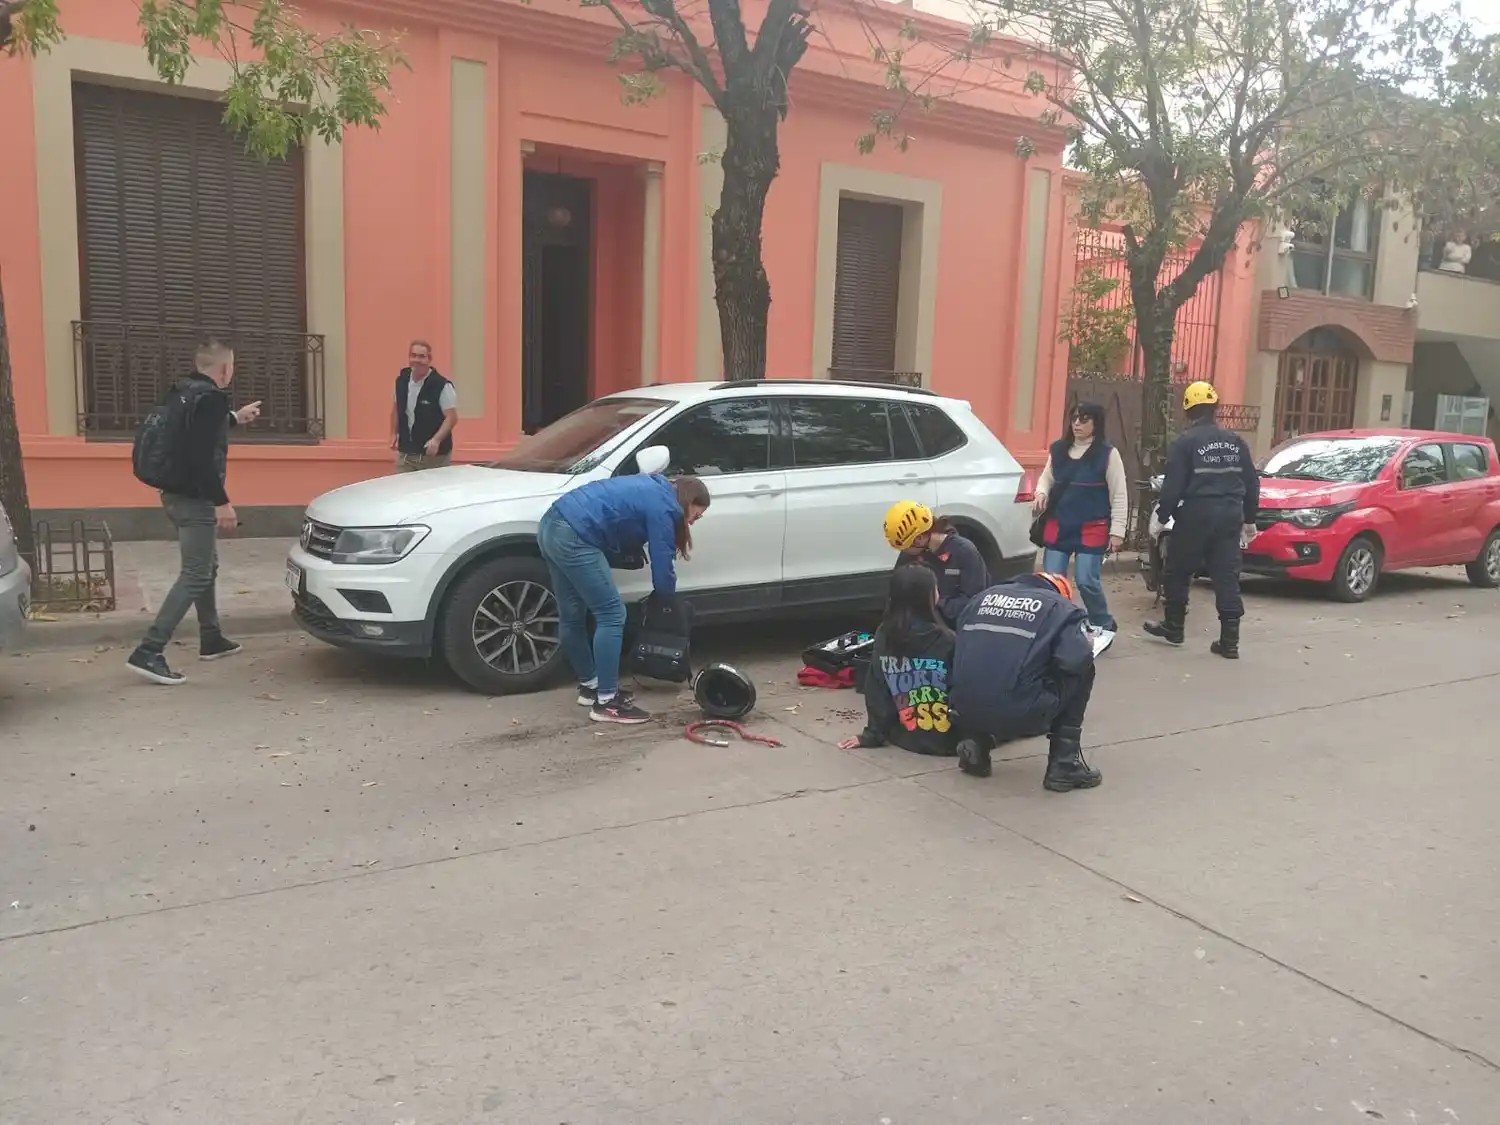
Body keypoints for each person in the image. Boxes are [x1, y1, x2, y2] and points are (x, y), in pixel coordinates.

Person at [127, 341, 261, 685]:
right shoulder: (213, 398)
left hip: (172, 494)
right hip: (195, 499)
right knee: (196, 574)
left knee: (206, 567)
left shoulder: (181, 391)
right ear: (224, 369)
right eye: (232, 366)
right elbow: (201, 455)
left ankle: (211, 637)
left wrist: (234, 418)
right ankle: (150, 650)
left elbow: (189, 436)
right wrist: (222, 502)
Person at [538, 473, 711, 724]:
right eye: (697, 515)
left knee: (572, 613)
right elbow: (662, 567)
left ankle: (591, 687)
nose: (694, 522)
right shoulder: (666, 507)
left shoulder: (654, 486)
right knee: (612, 614)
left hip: (551, 525)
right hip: (576, 536)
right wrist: (667, 605)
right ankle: (607, 703)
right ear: (689, 500)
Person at [949, 572, 1102, 791]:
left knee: (986, 664)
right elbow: (1075, 659)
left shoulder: (980, 599)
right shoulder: (1062, 609)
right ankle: (1064, 764)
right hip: (1020, 710)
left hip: (963, 708)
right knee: (1084, 669)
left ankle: (975, 744)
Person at [1144, 381, 1260, 658]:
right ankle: (1229, 642)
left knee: (1177, 571)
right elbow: (1251, 482)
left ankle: (1174, 627)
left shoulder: (1185, 442)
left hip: (1196, 515)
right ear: (1215, 408)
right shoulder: (1235, 441)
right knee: (1226, 576)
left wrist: (1162, 517)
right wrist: (1250, 518)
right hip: (1230, 516)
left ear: (1187, 410)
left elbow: (1173, 485)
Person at [1032, 401, 1128, 649]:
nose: (1077, 424)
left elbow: (1119, 494)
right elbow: (1046, 478)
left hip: (1092, 527)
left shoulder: (1108, 454)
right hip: (1059, 525)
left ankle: (1102, 623)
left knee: (1087, 580)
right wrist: (1041, 493)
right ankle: (1057, 627)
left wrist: (1117, 531)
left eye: (1084, 419)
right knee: (1053, 583)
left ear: (1096, 424)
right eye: (1074, 418)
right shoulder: (1059, 450)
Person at [837, 564, 957, 757]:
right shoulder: (948, 639)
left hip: (906, 736)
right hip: (949, 739)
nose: (939, 592)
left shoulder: (885, 634)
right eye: (935, 588)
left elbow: (877, 689)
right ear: (926, 597)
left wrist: (872, 735)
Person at [882, 500, 988, 628]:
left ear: (919, 539)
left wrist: (936, 602)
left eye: (906, 547)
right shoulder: (911, 555)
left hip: (958, 628)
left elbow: (975, 603)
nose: (904, 552)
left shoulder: (964, 552)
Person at [391, 339, 458, 472]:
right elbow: (396, 409)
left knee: (431, 492)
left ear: (429, 359)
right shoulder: (401, 381)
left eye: (422, 357)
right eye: (413, 355)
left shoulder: (441, 385)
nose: (417, 360)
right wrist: (393, 433)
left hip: (433, 457)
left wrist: (436, 440)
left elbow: (451, 418)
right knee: (404, 491)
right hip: (406, 455)